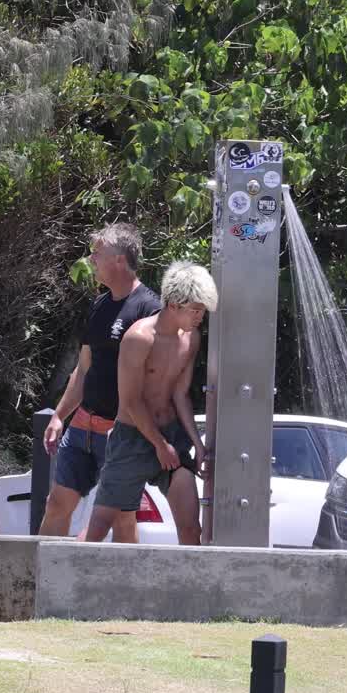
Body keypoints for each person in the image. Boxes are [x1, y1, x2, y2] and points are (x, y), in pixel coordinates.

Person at [40, 223, 162, 540]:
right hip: (82, 426)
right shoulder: (98, 305)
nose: (91, 259)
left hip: (120, 433)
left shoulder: (149, 308)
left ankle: (121, 575)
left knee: (122, 518)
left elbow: (157, 380)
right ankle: (46, 571)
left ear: (119, 259)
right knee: (56, 504)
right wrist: (59, 415)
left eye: (98, 253)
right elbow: (83, 369)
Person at [83, 261, 217, 546]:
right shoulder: (138, 337)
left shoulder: (191, 338)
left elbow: (180, 394)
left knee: (191, 529)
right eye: (195, 310)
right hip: (132, 439)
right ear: (173, 305)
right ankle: (65, 572)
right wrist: (159, 445)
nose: (200, 317)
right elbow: (131, 401)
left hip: (172, 438)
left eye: (203, 310)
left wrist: (198, 444)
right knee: (99, 527)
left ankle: (190, 578)